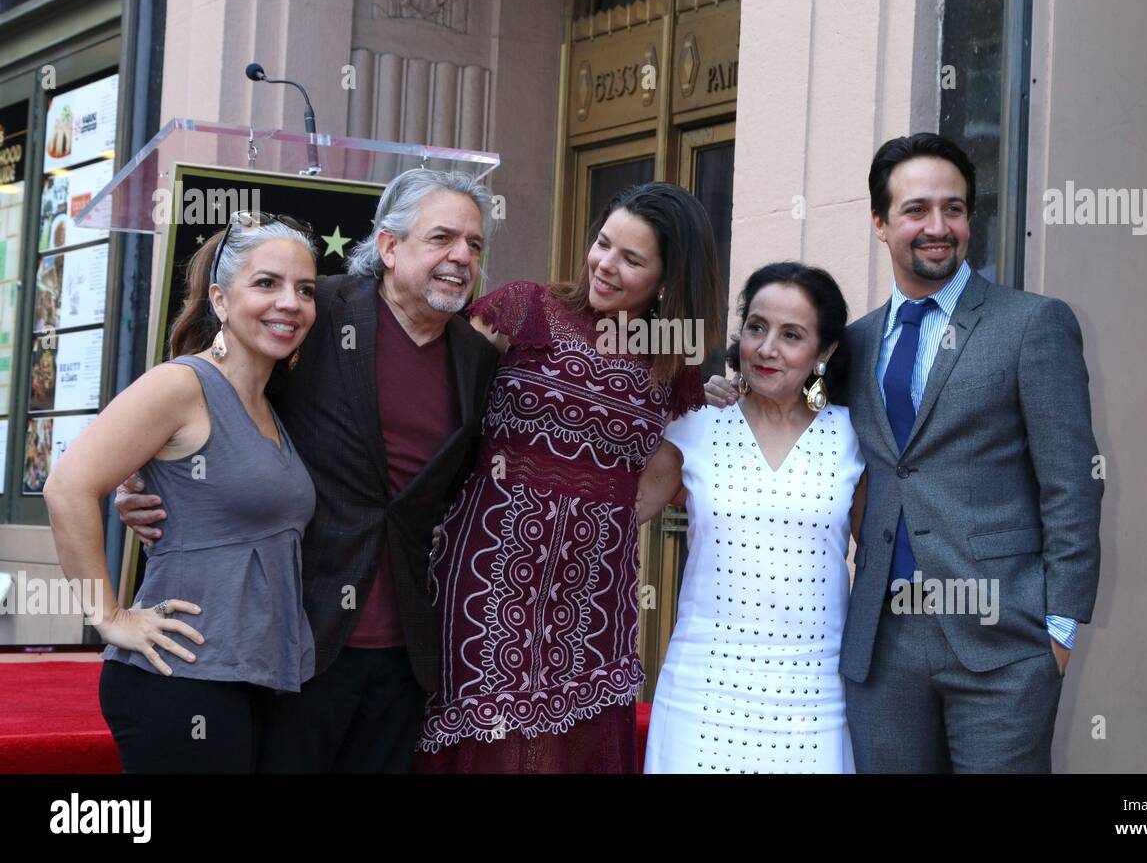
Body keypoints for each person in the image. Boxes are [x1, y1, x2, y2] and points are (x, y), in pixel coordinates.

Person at [708, 132, 1103, 772]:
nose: (938, 226)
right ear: (880, 222)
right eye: (917, 209)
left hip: (1003, 644)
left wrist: (1057, 631)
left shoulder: (1032, 324)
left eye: (954, 208)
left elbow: (1073, 486)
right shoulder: (852, 346)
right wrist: (731, 392)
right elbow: (794, 413)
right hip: (882, 651)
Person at [116, 169, 502, 772]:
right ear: (390, 246)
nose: (461, 256)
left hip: (406, 656)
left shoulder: (478, 359)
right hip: (296, 640)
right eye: (442, 238)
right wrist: (141, 476)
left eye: (473, 245)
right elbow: (210, 392)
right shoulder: (312, 309)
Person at [412, 181, 723, 774]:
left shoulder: (673, 364)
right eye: (603, 244)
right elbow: (434, 409)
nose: (605, 265)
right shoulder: (524, 307)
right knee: (488, 746)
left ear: (667, 278)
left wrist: (605, 518)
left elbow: (668, 473)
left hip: (592, 595)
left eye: (631, 260)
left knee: (567, 752)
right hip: (486, 574)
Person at [46, 212, 320, 772]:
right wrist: (109, 616)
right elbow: (67, 486)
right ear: (220, 299)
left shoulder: (271, 406)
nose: (289, 302)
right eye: (266, 283)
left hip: (259, 675)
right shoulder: (181, 384)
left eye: (305, 289)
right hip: (183, 675)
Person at [638, 262, 865, 773]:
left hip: (815, 703)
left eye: (791, 335)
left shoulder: (853, 435)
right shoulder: (695, 422)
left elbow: (882, 547)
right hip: (702, 696)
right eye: (757, 327)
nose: (767, 348)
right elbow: (618, 514)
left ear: (823, 353)